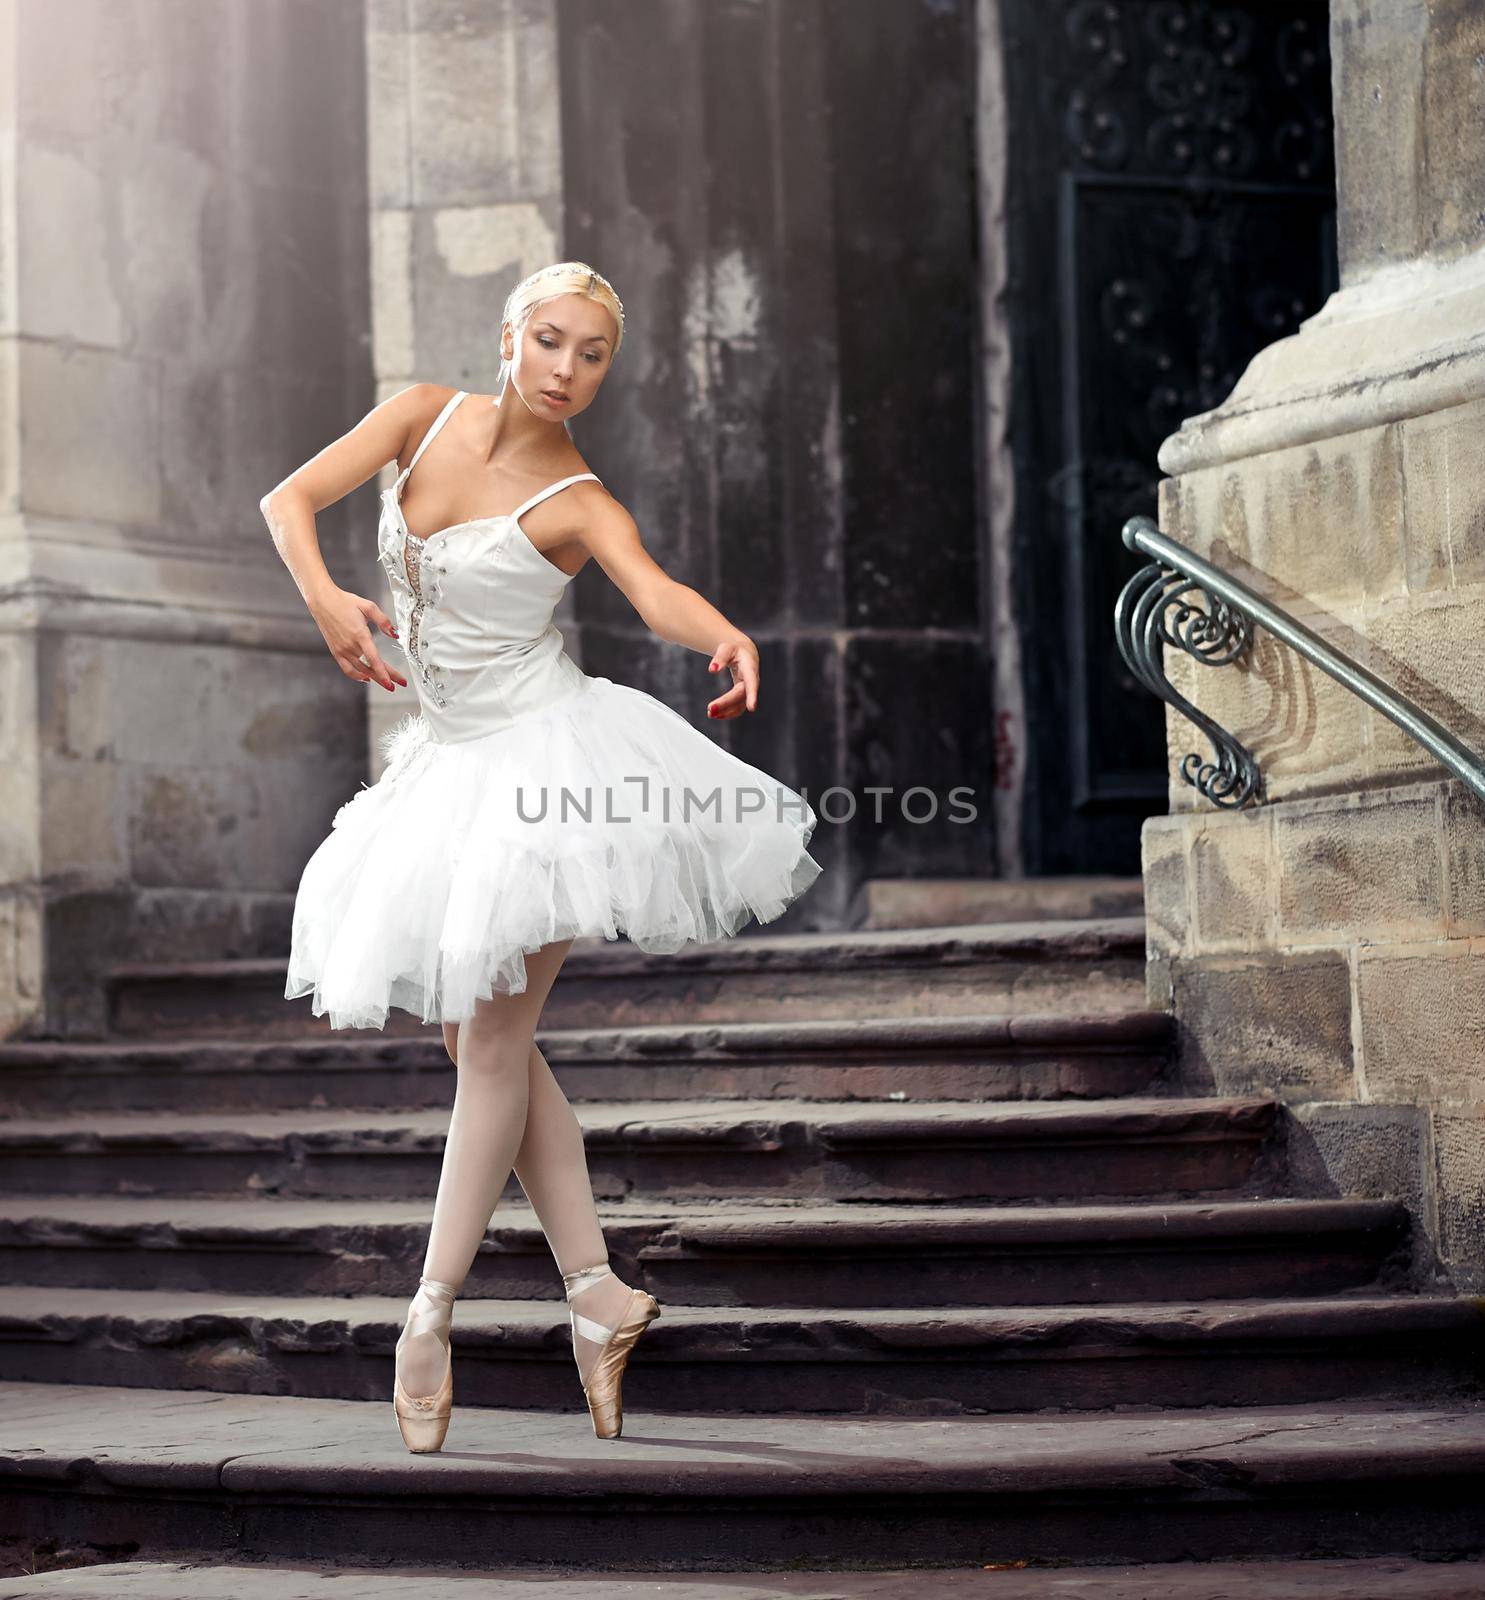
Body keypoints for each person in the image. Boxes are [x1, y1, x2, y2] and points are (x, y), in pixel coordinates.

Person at [259, 261, 823, 1454]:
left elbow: (652, 588)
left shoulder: (577, 497)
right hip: (445, 767)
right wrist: (326, 600)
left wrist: (720, 629)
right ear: (509, 337)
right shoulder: (421, 414)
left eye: (595, 354)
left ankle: (428, 1314)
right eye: (553, 342)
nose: (570, 370)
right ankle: (598, 1294)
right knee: (479, 1042)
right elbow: (288, 501)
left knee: (495, 1044)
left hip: (546, 769)